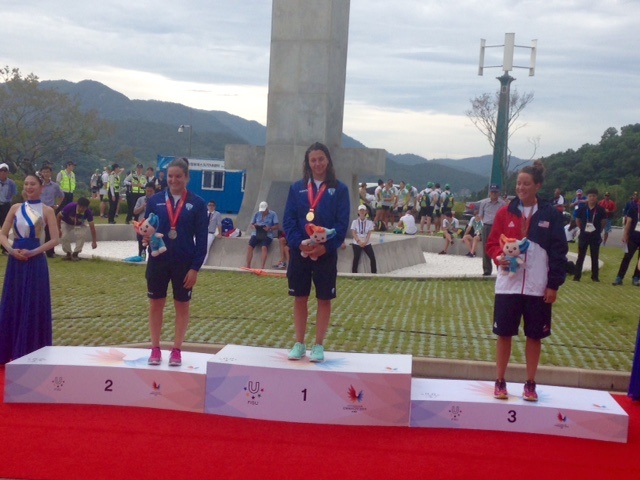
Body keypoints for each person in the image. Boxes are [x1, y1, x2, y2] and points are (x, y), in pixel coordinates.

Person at [486, 160, 567, 402]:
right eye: (519, 183)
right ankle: (500, 381)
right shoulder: (505, 212)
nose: (521, 187)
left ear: (537, 185)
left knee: (534, 336)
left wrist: (553, 284)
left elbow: (559, 252)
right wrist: (498, 257)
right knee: (504, 334)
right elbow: (491, 244)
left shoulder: (550, 215)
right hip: (508, 286)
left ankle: (530, 384)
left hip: (537, 288)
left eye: (526, 183)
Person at [283, 142, 349, 363]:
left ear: (328, 160)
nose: (318, 163)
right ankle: (299, 343)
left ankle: (318, 345)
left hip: (325, 254)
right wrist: (297, 244)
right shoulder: (296, 188)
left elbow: (341, 225)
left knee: (324, 299)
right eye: (313, 160)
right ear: (308, 163)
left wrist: (325, 247)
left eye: (321, 159)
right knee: (300, 298)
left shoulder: (339, 189)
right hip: (301, 253)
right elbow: (289, 220)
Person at [144, 157, 208, 367]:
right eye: (170, 176)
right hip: (158, 261)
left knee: (182, 306)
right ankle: (155, 348)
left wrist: (195, 268)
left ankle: (177, 349)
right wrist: (143, 238)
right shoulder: (155, 201)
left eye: (178, 176)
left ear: (187, 177)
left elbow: (201, 239)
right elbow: (144, 228)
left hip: (183, 263)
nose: (173, 180)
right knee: (156, 304)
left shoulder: (197, 203)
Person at [0, 173, 59, 364]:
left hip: (35, 261)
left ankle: (31, 350)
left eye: (32, 184)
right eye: (26, 184)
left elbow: (55, 240)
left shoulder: (47, 210)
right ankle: (8, 349)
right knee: (14, 301)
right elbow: (2, 234)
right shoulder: (15, 208)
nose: (28, 187)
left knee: (33, 303)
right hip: (16, 260)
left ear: (41, 187)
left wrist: (33, 252)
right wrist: (10, 250)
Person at [573, 188, 606, 282]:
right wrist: (582, 229)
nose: (592, 198)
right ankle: (577, 276)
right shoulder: (582, 208)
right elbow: (577, 220)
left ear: (597, 197)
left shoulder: (600, 209)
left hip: (595, 235)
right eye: (590, 196)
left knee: (595, 256)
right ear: (587, 197)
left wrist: (599, 230)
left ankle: (595, 277)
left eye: (594, 196)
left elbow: (603, 221)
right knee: (580, 256)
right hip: (584, 235)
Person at [612, 190, 640, 286]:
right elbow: (628, 222)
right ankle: (619, 277)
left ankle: (636, 277)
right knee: (627, 257)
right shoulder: (634, 208)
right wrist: (625, 235)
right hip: (633, 236)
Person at [479, 184, 507, 276]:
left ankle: (500, 267)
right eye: (492, 192)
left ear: (498, 193)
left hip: (498, 227)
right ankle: (487, 269)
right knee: (485, 247)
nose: (494, 194)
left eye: (495, 192)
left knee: (499, 247)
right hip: (486, 226)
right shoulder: (484, 203)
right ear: (489, 192)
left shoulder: (502, 203)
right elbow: (480, 215)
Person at [38, 164, 64, 258]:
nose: (45, 174)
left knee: (49, 231)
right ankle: (36, 251)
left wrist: (57, 205)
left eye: (47, 172)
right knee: (36, 230)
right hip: (38, 209)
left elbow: (61, 196)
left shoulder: (55, 186)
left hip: (50, 210)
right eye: (44, 172)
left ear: (51, 173)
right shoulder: (38, 184)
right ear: (41, 173)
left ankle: (50, 252)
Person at [246, 201, 279, 270]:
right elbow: (251, 224)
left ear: (267, 208)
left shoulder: (273, 214)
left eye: (264, 211)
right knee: (250, 246)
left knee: (264, 247)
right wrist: (254, 226)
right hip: (257, 233)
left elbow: (277, 226)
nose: (262, 212)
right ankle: (248, 265)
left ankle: (262, 267)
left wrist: (269, 228)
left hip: (267, 234)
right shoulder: (257, 214)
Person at [133, 182, 156, 259]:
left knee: (153, 246)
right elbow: (135, 211)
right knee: (141, 245)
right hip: (141, 226)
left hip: (152, 227)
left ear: (154, 191)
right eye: (147, 191)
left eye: (150, 191)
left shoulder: (156, 200)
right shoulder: (141, 199)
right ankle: (141, 258)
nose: (148, 193)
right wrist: (143, 206)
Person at [351, 204, 377, 273]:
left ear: (366, 212)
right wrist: (358, 241)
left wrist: (365, 242)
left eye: (363, 210)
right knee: (356, 258)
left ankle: (374, 273)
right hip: (357, 242)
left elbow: (369, 233)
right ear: (358, 212)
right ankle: (354, 273)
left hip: (366, 242)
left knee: (372, 257)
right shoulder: (354, 222)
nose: (362, 212)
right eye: (360, 210)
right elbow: (353, 233)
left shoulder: (369, 222)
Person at [0, 163, 18, 254]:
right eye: (1, 171)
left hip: (5, 205)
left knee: (5, 226)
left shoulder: (11, 183)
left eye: (5, 171)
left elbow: (14, 194)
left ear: (7, 173)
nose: (2, 173)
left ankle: (4, 248)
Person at [203, 200, 222, 265]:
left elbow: (219, 224)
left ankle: (203, 263)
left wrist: (220, 233)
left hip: (211, 233)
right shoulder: (204, 213)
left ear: (214, 207)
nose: (210, 207)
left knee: (206, 247)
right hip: (203, 232)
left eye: (212, 205)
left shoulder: (217, 214)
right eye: (209, 205)